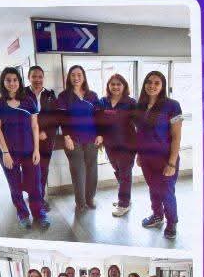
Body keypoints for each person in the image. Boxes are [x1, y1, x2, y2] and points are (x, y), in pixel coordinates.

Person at [0, 67, 44, 229]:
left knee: (35, 185)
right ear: (3, 82)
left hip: (29, 151)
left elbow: (35, 126)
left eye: (15, 80)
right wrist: (5, 153)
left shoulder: (28, 101)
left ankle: (39, 213)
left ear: (19, 82)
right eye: (8, 80)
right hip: (9, 153)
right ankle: (23, 214)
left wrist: (37, 150)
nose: (12, 83)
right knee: (15, 186)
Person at [134, 71, 184, 240]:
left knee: (166, 192)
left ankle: (172, 223)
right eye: (149, 82)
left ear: (162, 86)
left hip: (165, 158)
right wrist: (139, 155)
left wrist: (172, 163)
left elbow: (177, 136)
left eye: (157, 83)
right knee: (153, 188)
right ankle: (157, 215)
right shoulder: (140, 106)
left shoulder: (173, 106)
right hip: (146, 158)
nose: (152, 85)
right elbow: (140, 133)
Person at [59, 65, 101, 213]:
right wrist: (67, 137)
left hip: (91, 138)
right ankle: (80, 203)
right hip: (73, 139)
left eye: (79, 75)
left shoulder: (92, 95)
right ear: (69, 78)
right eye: (73, 75)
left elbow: (98, 117)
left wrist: (100, 134)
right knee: (78, 171)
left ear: (84, 77)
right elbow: (62, 119)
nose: (76, 78)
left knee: (92, 170)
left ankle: (90, 199)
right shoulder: (64, 96)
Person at [95, 73, 137, 217]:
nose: (115, 87)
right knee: (118, 171)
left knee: (125, 173)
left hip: (127, 144)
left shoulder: (131, 103)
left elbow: (140, 123)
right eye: (112, 84)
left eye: (119, 84)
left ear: (124, 86)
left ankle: (123, 203)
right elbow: (99, 121)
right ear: (108, 86)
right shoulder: (103, 101)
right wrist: (100, 134)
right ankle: (126, 197)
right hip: (110, 144)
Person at [26, 66, 61, 214]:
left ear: (43, 78)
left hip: (46, 140)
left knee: (43, 169)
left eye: (40, 76)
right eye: (34, 76)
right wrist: (35, 133)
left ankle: (39, 199)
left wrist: (45, 132)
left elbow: (56, 118)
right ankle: (32, 196)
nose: (37, 79)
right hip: (28, 140)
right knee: (30, 169)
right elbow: (21, 118)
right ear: (29, 78)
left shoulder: (50, 95)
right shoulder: (22, 94)